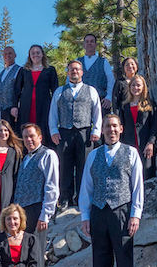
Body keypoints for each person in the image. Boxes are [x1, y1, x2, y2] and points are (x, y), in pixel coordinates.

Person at [80, 114, 144, 267]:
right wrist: (85, 216)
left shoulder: (131, 152)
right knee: (100, 259)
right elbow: (86, 188)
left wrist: (135, 215)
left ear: (121, 129)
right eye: (107, 126)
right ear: (102, 130)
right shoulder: (93, 155)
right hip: (98, 212)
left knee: (124, 258)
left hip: (121, 211)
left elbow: (137, 186)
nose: (111, 129)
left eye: (115, 126)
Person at [49, 60, 102, 209]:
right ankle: (65, 197)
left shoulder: (91, 90)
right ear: (67, 72)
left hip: (84, 132)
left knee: (83, 165)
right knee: (64, 165)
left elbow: (97, 111)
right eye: (72, 70)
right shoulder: (60, 91)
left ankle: (82, 196)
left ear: (82, 72)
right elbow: (53, 112)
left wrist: (96, 130)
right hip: (64, 132)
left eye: (77, 69)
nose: (74, 72)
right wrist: (53, 130)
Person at [13, 123, 59, 267]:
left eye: (32, 136)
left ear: (40, 137)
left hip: (37, 209)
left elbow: (52, 186)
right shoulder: (25, 158)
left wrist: (45, 214)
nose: (28, 139)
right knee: (24, 253)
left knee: (36, 254)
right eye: (25, 137)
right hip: (22, 211)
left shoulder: (48, 154)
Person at [13, 45, 58, 148]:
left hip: (44, 106)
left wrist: (56, 108)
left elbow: (55, 90)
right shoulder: (24, 70)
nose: (35, 55)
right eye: (33, 53)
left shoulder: (50, 70)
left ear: (42, 54)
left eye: (38, 52)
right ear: (29, 56)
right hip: (26, 107)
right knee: (25, 131)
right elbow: (17, 90)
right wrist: (14, 106)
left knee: (43, 130)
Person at [118, 75, 157, 180]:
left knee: (147, 174)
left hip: (145, 144)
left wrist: (151, 143)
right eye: (133, 85)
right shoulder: (124, 105)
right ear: (129, 87)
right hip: (128, 143)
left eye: (138, 85)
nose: (135, 88)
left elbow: (155, 125)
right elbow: (121, 126)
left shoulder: (150, 104)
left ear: (143, 87)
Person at [78, 34, 116, 113]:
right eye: (87, 42)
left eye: (92, 41)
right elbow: (70, 81)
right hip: (81, 103)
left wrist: (109, 97)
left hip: (101, 102)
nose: (89, 43)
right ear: (84, 45)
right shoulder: (77, 62)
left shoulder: (103, 62)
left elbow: (111, 81)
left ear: (96, 44)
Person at [0, 46, 21, 131]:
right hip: (2, 110)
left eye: (10, 53)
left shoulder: (19, 70)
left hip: (13, 110)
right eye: (5, 54)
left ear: (15, 55)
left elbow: (20, 90)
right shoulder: (1, 73)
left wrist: (17, 107)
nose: (7, 56)